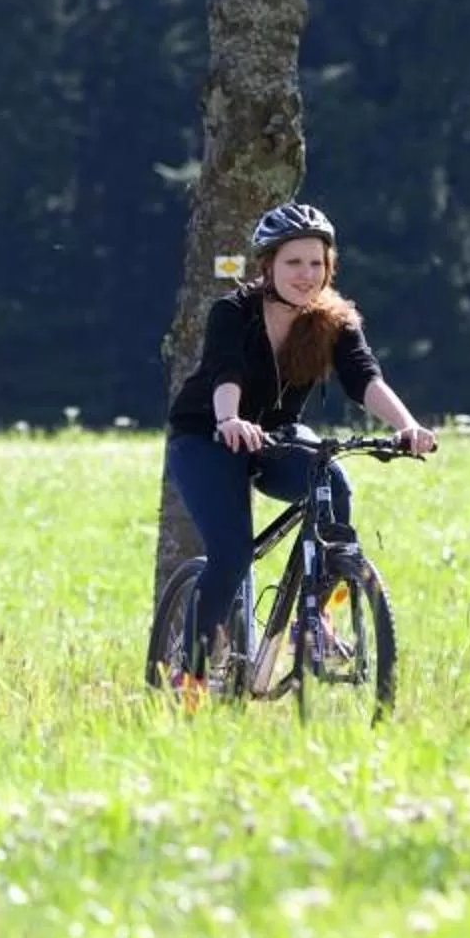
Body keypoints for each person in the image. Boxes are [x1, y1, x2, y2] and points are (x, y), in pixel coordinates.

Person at [162, 201, 437, 682]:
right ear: (267, 265)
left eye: (317, 263)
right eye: (294, 262)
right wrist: (229, 418)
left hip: (274, 437)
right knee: (231, 555)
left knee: (334, 485)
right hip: (207, 436)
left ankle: (316, 620)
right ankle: (192, 678)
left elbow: (364, 377)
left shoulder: (335, 320)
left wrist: (407, 426)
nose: (307, 274)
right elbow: (226, 370)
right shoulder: (234, 311)